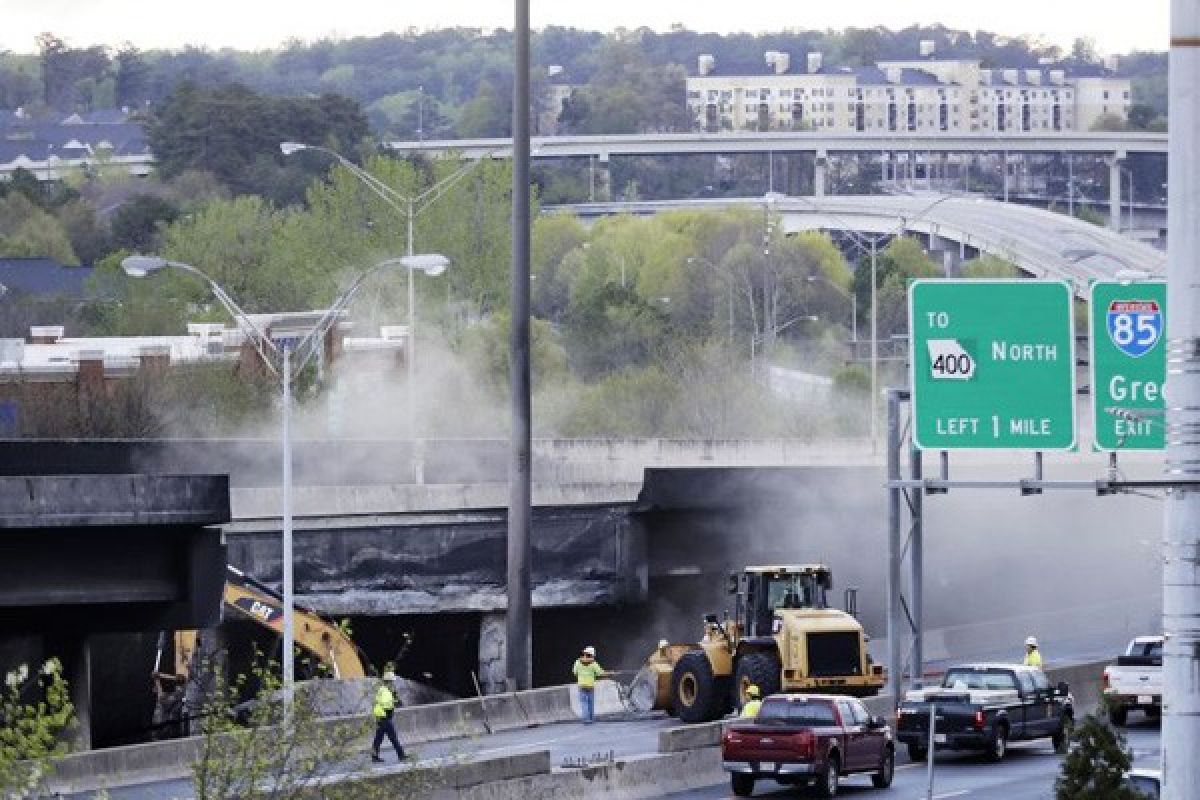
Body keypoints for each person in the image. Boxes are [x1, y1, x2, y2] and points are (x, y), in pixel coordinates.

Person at [371, 670, 406, 763]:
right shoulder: (385, 691)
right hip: (384, 717)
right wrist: (395, 703)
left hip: (379, 716)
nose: (393, 683)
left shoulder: (382, 689)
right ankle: (401, 755)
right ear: (389, 681)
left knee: (378, 738)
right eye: (392, 681)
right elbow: (386, 704)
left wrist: (394, 699)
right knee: (393, 737)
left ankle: (374, 756)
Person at [572, 645, 607, 724]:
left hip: (581, 686)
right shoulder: (593, 664)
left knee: (584, 703)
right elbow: (600, 673)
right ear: (592, 655)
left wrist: (581, 674)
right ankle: (591, 718)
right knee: (591, 702)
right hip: (590, 686)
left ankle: (586, 719)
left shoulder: (577, 662)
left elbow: (574, 672)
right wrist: (611, 673)